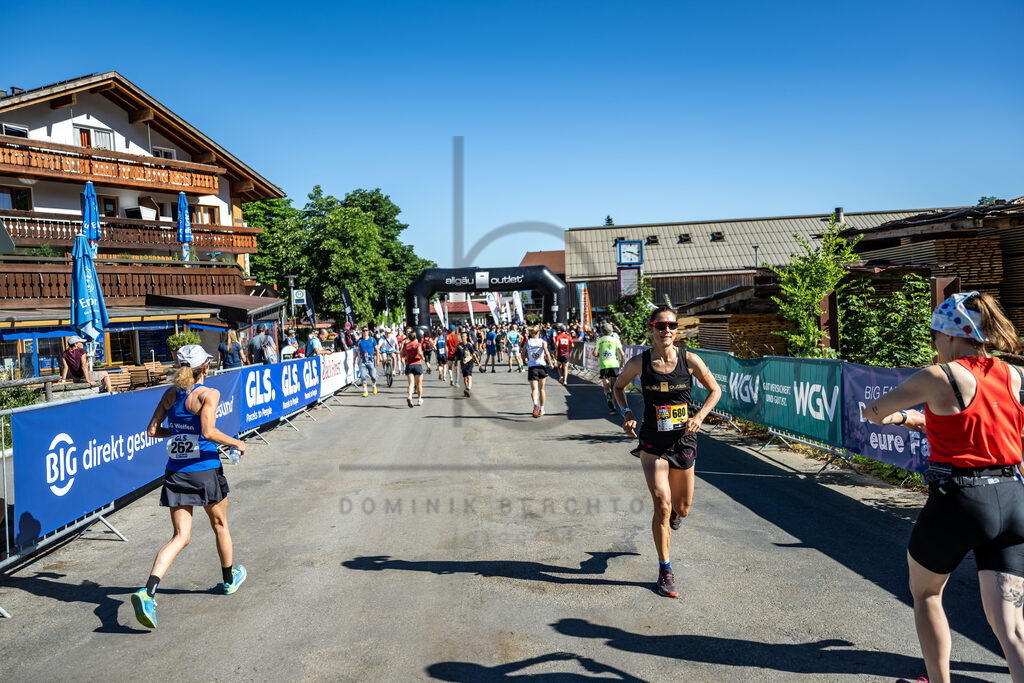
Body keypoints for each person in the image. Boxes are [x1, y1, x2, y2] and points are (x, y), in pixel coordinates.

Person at [863, 292, 1024, 683]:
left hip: (961, 500)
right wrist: (919, 419)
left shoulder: (939, 376)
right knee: (1012, 624)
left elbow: (874, 412)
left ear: (951, 335)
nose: (934, 344)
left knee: (926, 595)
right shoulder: (1012, 373)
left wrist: (894, 415)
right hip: (1012, 496)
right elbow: (978, 422)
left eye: (935, 335)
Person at [130, 344, 247, 629]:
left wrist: (180, 430)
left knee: (180, 536)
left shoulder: (170, 395)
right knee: (220, 525)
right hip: (205, 470)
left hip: (176, 472)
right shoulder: (209, 394)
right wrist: (236, 442)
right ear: (205, 368)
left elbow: (152, 430)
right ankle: (229, 581)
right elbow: (207, 432)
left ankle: (148, 592)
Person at [612, 306, 721, 599]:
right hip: (652, 441)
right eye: (661, 325)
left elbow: (715, 390)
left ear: (677, 329)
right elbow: (617, 386)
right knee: (661, 502)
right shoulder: (640, 362)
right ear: (652, 328)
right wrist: (626, 413)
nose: (667, 330)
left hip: (683, 440)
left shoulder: (690, 360)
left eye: (671, 325)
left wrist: (699, 417)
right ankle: (665, 569)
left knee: (681, 508)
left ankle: (676, 513)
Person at [525, 326, 554, 417]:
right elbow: (547, 353)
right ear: (539, 333)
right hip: (541, 366)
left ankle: (535, 404)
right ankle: (542, 409)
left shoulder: (527, 342)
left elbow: (522, 354)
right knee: (542, 389)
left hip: (532, 367)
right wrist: (550, 363)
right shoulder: (543, 342)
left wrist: (525, 360)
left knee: (534, 389)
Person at [596, 323, 625, 412]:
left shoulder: (599, 340)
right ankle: (613, 407)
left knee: (606, 387)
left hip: (604, 365)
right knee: (614, 387)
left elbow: (595, 353)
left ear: (602, 331)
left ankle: (608, 396)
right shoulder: (615, 340)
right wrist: (622, 363)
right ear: (611, 330)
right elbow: (623, 354)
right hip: (614, 364)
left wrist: (598, 354)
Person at [403, 331, 426, 407]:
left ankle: (410, 396)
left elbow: (402, 354)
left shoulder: (406, 345)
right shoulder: (417, 344)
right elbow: (419, 352)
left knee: (411, 384)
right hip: (417, 365)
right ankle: (419, 399)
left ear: (409, 338)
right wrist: (423, 357)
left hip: (409, 365)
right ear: (415, 337)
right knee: (419, 384)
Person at [356, 327, 380, 397]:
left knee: (373, 376)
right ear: (362, 332)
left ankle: (374, 385)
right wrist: (355, 360)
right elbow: (357, 351)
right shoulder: (359, 341)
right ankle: (365, 391)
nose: (365, 332)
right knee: (363, 376)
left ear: (368, 331)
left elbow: (377, 350)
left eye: (366, 330)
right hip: (362, 360)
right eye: (363, 330)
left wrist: (378, 359)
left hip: (370, 359)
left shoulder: (372, 339)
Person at [455, 332, 479, 397]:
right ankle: (466, 390)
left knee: (469, 376)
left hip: (469, 361)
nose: (463, 338)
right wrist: (455, 364)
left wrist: (478, 363)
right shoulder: (459, 346)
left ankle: (468, 388)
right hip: (463, 363)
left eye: (464, 336)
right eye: (462, 337)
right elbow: (456, 356)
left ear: (466, 337)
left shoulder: (469, 345)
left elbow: (473, 354)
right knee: (465, 378)